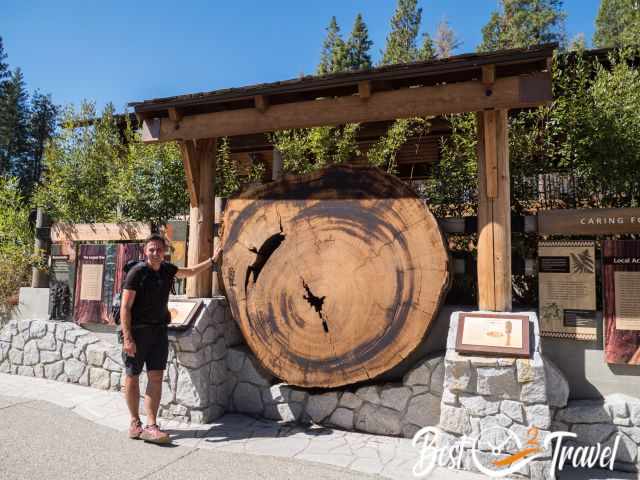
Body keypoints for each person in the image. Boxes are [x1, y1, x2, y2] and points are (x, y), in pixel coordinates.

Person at [120, 233, 221, 444]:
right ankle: (134, 421)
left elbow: (190, 271)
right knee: (133, 375)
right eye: (151, 249)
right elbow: (125, 307)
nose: (155, 253)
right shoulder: (137, 273)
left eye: (159, 249)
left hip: (158, 332)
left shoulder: (167, 270)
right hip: (137, 332)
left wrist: (212, 260)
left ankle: (151, 424)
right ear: (145, 251)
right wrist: (128, 338)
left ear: (164, 251)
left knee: (155, 377)